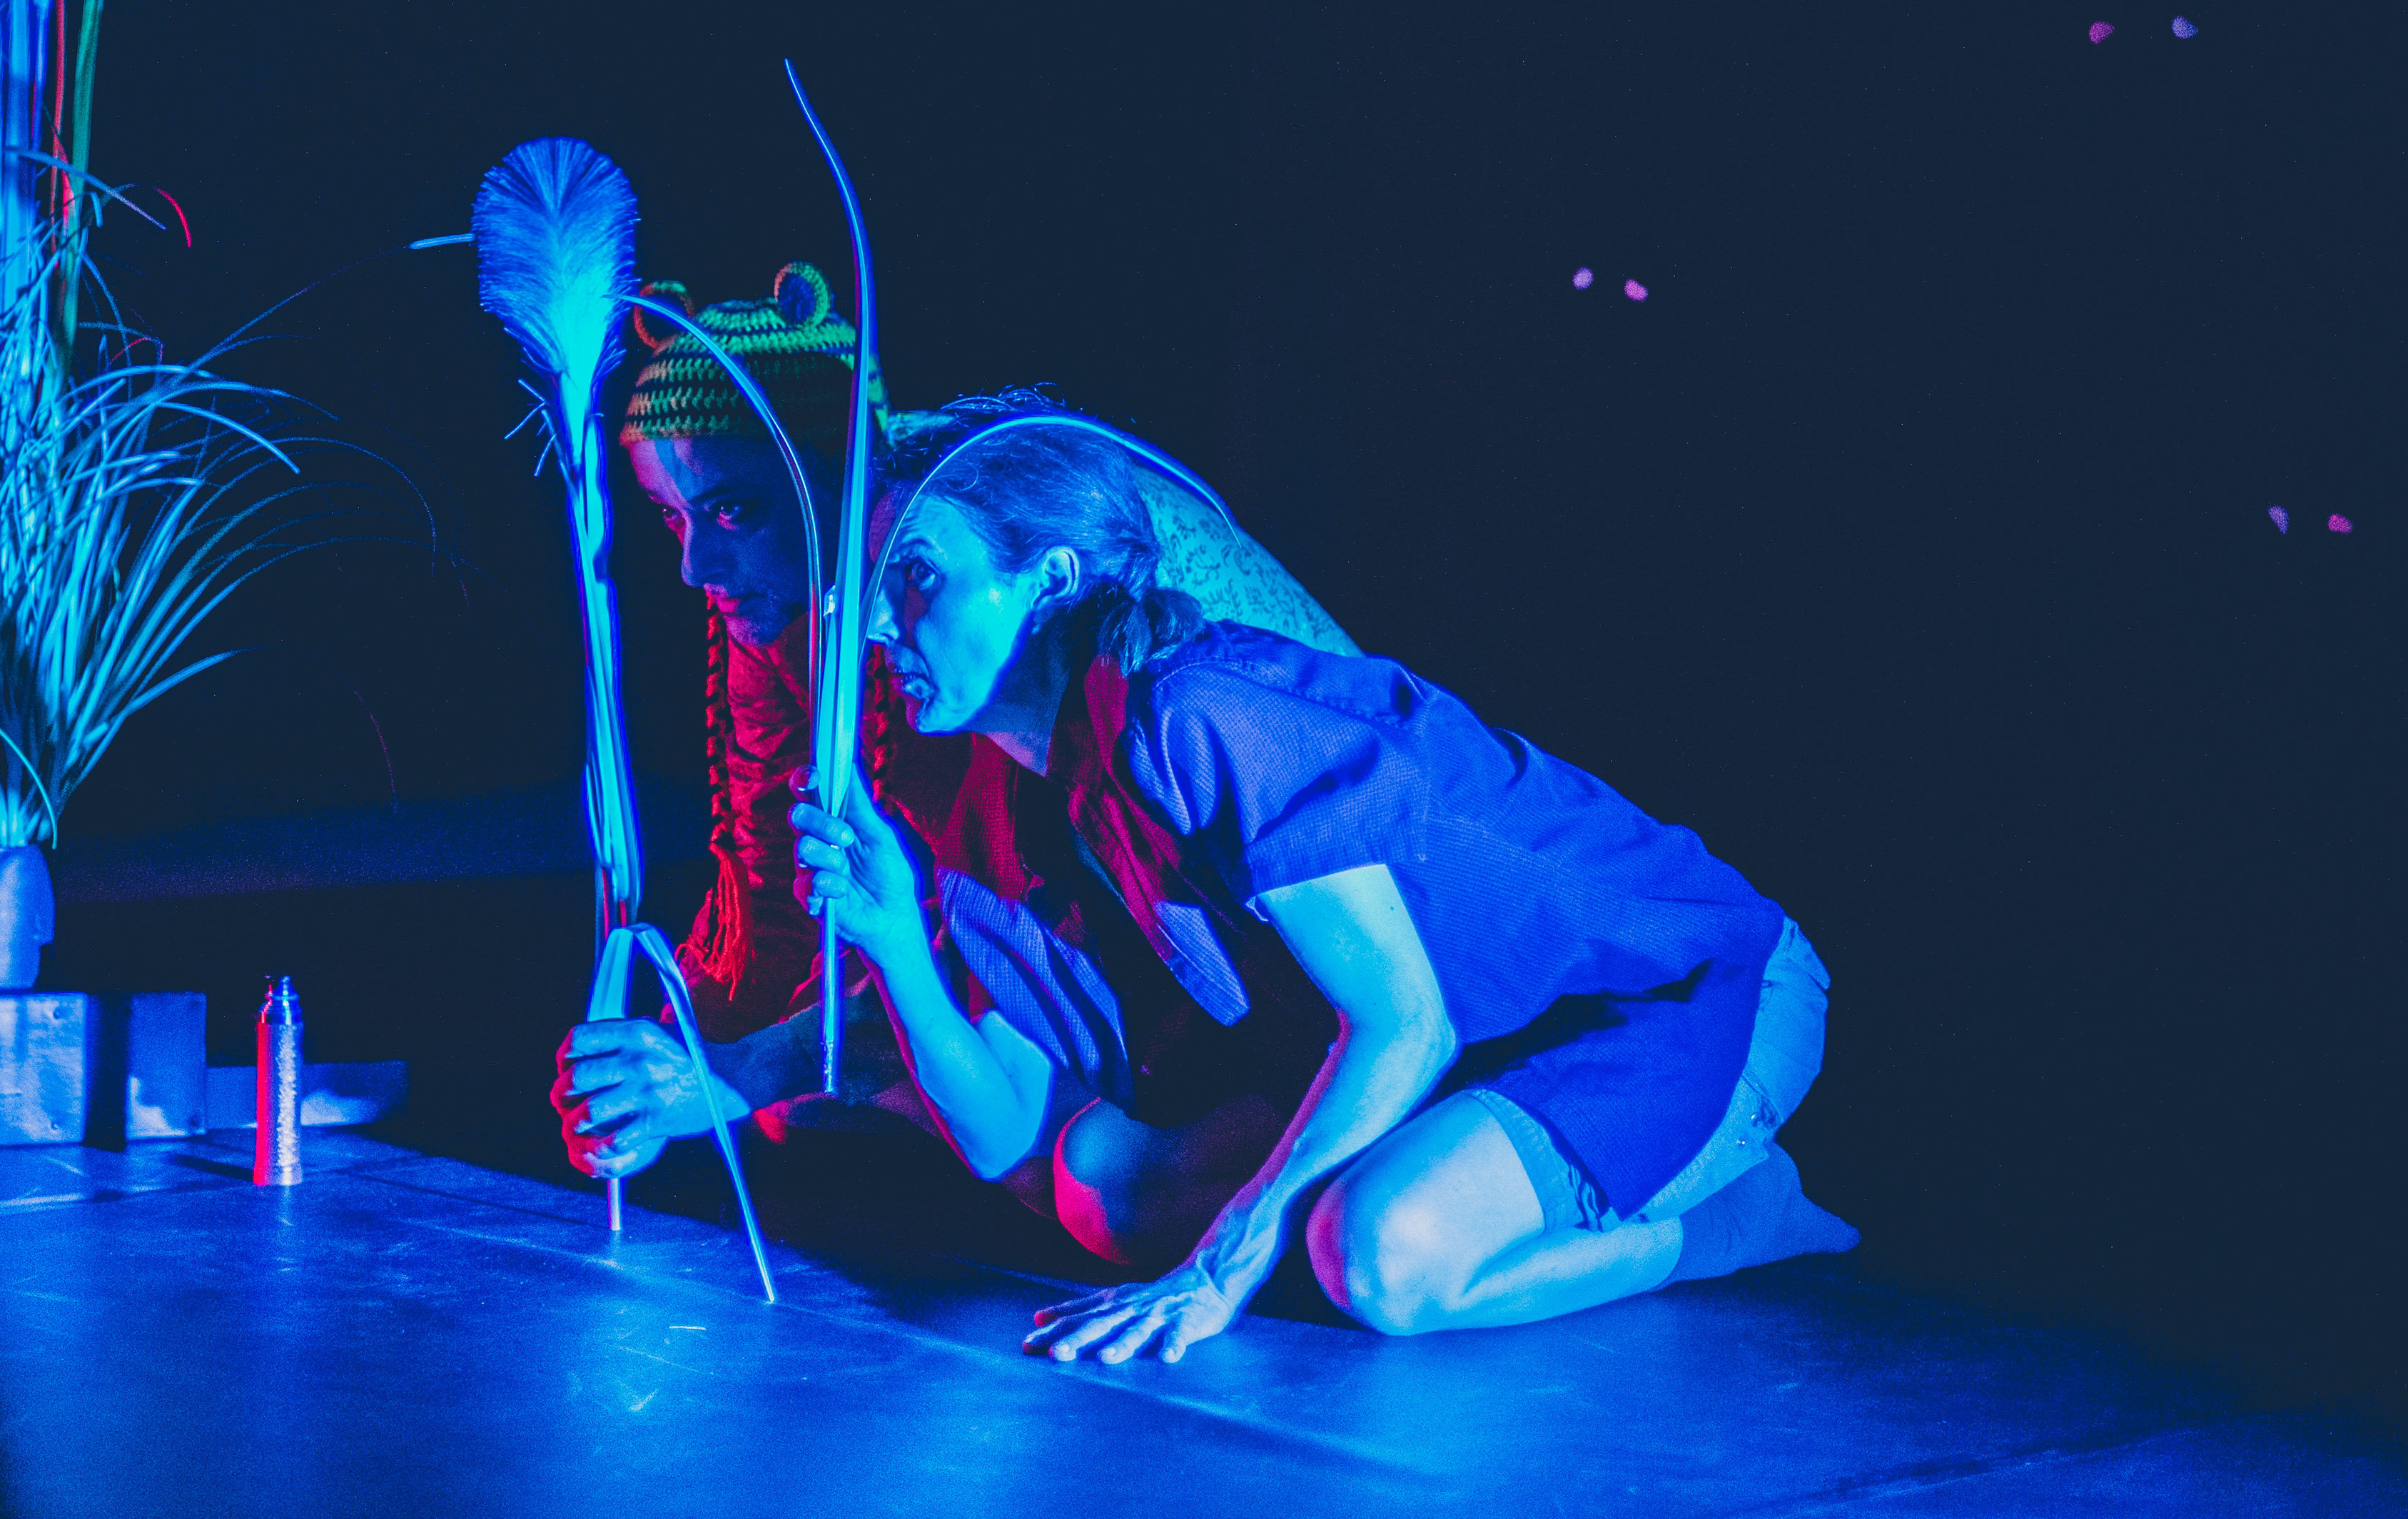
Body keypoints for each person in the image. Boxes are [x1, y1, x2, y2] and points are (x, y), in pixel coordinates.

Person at [788, 391, 1856, 1363]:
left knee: (1383, 1254)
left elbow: (1409, 1022)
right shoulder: (1000, 782)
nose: (876, 623)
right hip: (1478, 1034)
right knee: (1116, 1188)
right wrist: (891, 940)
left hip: (1685, 986)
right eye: (871, 586)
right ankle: (1495, 1177)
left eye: (916, 575)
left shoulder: (1196, 714)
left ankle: (1732, 1219)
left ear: (1050, 575)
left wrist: (1226, 1263)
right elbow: (1009, 1132)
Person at [554, 273, 1357, 1174]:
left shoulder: (976, 615)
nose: (695, 565)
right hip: (1046, 909)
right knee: (802, 1108)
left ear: (836, 473)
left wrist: (738, 1068)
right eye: (670, 517)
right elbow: (775, 864)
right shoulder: (782, 594)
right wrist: (689, 1039)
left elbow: (989, 878)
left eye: (735, 510)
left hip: (1227, 929)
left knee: (1103, 1184)